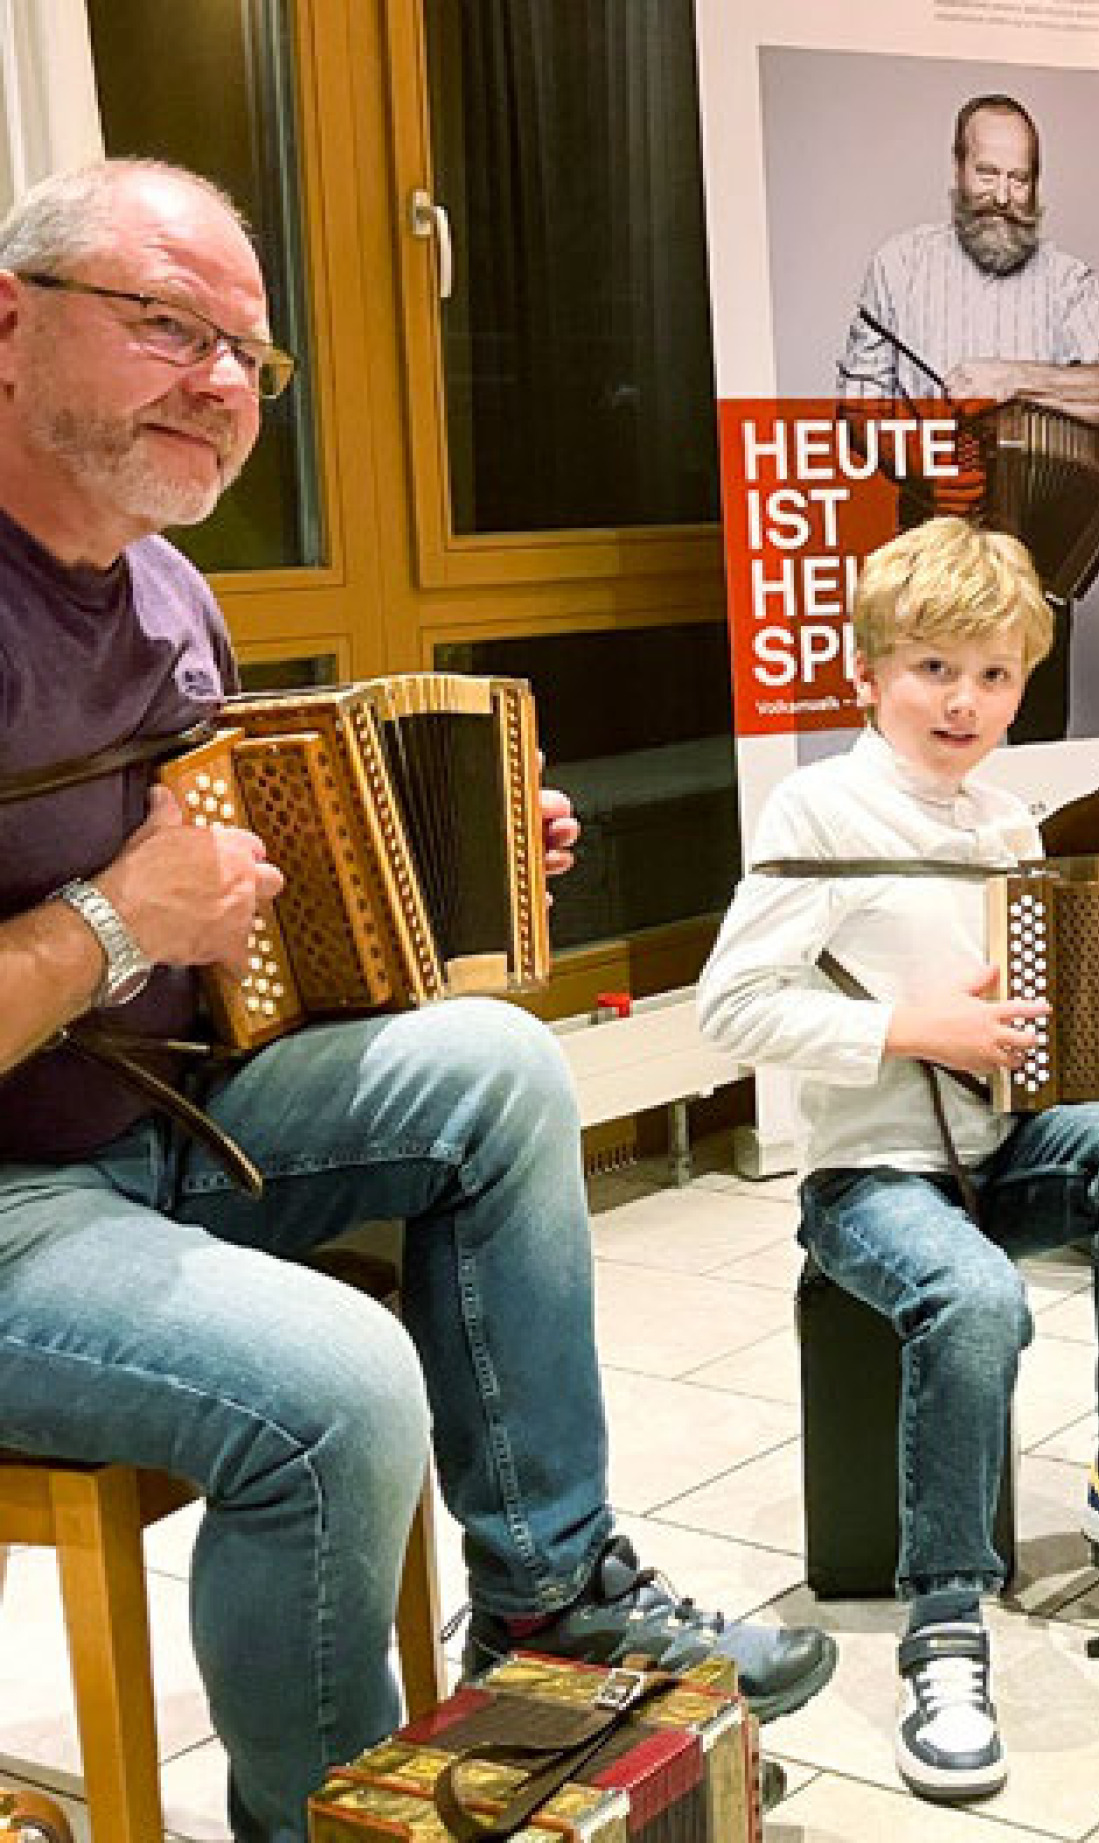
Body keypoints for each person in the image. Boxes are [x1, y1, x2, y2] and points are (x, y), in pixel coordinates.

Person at [0, 158, 834, 1842]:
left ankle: (546, 1591)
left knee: (495, 1067)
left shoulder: (171, 591)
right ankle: (327, 1825)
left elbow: (227, 916)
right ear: (10, 323)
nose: (223, 384)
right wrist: (107, 920)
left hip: (155, 1118)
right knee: (334, 1385)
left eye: (249, 353)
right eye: (168, 324)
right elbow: (132, 903)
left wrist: (434, 858)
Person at [697, 516, 1099, 1803]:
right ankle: (946, 1620)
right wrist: (909, 1026)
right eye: (932, 669)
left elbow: (1021, 1020)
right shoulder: (819, 807)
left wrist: (1065, 1035)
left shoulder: (1010, 825)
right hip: (870, 1179)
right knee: (976, 1295)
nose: (964, 702)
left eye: (995, 675)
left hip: (998, 1148)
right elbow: (729, 1009)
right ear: (869, 674)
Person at [837, 93, 1099, 744]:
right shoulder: (898, 266)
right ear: (957, 169)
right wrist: (923, 465)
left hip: (1040, 558)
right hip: (927, 543)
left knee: (1036, 741)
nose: (1003, 195)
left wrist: (1013, 376)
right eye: (987, 173)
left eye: (1019, 177)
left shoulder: (1067, 281)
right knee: (923, 737)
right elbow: (858, 405)